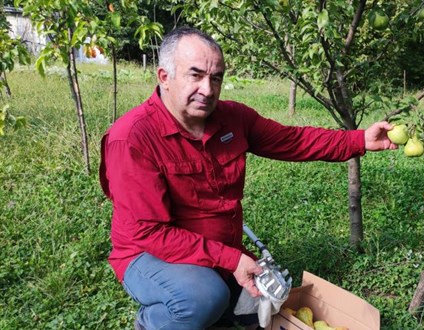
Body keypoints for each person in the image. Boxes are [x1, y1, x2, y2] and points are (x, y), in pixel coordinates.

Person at [99, 27, 397, 330]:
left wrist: (360, 140)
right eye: (196, 75)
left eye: (216, 77)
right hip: (146, 254)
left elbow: (293, 141)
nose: (208, 89)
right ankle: (150, 323)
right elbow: (149, 233)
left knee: (257, 306)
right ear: (164, 77)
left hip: (213, 247)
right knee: (202, 299)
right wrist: (231, 260)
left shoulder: (233, 118)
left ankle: (216, 302)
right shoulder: (133, 138)